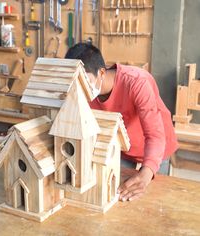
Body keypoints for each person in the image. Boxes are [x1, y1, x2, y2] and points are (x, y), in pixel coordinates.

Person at [65, 43, 178, 202]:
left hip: (157, 146)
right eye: (75, 81)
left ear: (101, 73)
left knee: (155, 200)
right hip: (123, 147)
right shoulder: (81, 92)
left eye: (85, 80)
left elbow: (155, 135)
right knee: (117, 194)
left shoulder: (137, 82)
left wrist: (146, 174)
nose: (80, 87)